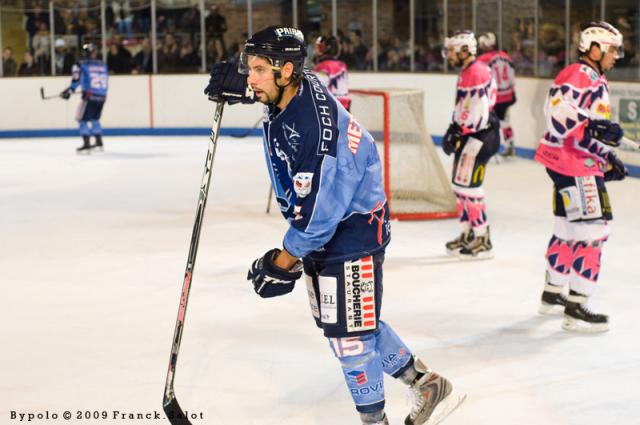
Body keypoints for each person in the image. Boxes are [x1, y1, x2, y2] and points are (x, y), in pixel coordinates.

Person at [204, 26, 463, 425]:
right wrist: (243, 83)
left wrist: (283, 260)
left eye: (257, 70)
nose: (252, 77)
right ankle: (427, 383)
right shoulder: (296, 82)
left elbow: (318, 220)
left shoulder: (316, 135)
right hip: (340, 223)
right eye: (250, 69)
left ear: (285, 70)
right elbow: (285, 84)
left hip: (352, 229)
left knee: (349, 336)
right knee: (347, 319)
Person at [534, 22, 628, 333]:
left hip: (572, 162)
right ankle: (575, 308)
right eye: (612, 49)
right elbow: (558, 114)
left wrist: (607, 157)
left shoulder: (592, 77)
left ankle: (552, 295)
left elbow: (582, 128)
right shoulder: (579, 73)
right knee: (593, 233)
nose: (616, 55)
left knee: (567, 228)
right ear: (594, 48)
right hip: (573, 166)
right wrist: (594, 127)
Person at [441, 30, 499, 259]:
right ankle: (467, 233)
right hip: (471, 134)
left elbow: (477, 111)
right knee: (460, 186)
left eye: (453, 50)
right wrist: (454, 128)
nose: (450, 54)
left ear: (466, 50)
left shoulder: (476, 72)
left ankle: (483, 238)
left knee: (470, 188)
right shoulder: (469, 71)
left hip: (480, 136)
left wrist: (458, 130)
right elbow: (464, 108)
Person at [60, 43, 109, 153]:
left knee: (81, 118)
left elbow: (77, 79)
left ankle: (86, 143)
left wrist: (70, 90)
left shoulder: (80, 64)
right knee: (95, 118)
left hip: (89, 96)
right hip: (102, 97)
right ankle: (98, 141)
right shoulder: (102, 64)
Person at [477, 32, 517, 157]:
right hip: (507, 95)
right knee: (504, 120)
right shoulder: (506, 56)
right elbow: (511, 76)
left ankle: (489, 147)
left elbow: (481, 79)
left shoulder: (482, 59)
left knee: (489, 122)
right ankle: (509, 144)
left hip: (492, 97)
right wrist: (512, 92)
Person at [312, 35, 351, 111]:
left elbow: (315, 89)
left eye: (319, 48)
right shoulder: (342, 65)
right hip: (345, 108)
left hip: (330, 109)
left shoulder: (323, 66)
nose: (316, 51)